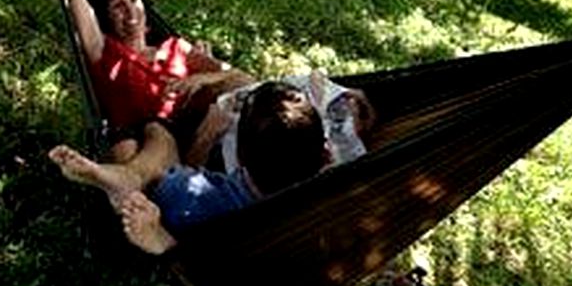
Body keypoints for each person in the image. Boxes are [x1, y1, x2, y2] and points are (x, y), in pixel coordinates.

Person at [52, 77, 375, 254]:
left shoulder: (189, 193)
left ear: (242, 157)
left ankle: (136, 193)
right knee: (154, 151)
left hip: (187, 209)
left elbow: (193, 169)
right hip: (237, 236)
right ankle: (144, 206)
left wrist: (208, 133)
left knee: (150, 134)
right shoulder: (319, 201)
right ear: (324, 157)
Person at [61, 0, 253, 160]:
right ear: (105, 16)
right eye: (117, 5)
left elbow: (242, 78)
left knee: (242, 89)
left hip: (212, 126)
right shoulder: (106, 52)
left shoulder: (176, 47)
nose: (130, 10)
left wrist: (200, 79)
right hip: (157, 147)